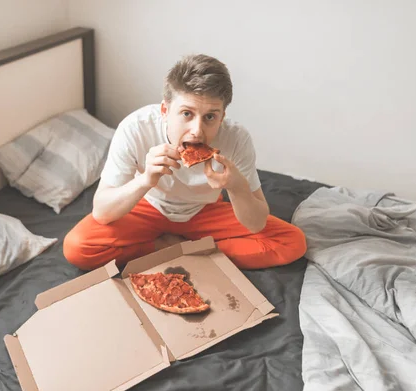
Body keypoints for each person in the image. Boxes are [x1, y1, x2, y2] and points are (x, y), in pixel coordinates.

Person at [63, 54, 306, 270]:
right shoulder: (135, 128)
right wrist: (146, 180)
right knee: (76, 248)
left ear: (222, 117)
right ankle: (177, 249)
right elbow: (102, 212)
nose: (197, 131)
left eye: (210, 117)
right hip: (148, 206)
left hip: (206, 210)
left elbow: (256, 224)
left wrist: (236, 187)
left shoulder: (237, 138)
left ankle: (180, 249)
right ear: (165, 110)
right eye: (186, 114)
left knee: (292, 243)